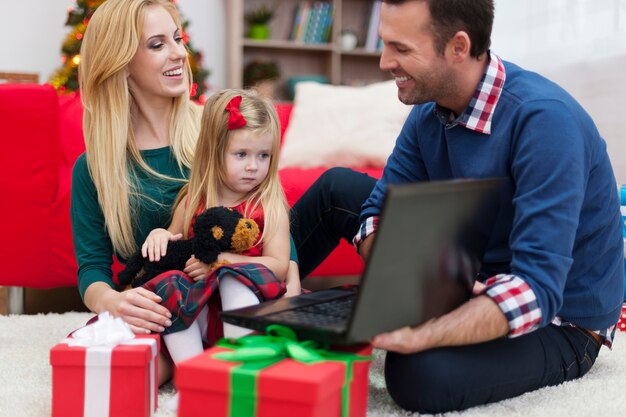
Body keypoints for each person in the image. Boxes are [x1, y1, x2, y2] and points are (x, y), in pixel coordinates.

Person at [345, 0, 623, 413]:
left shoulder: (544, 120)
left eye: (401, 49)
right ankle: (265, 313)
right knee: (334, 189)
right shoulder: (428, 110)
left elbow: (537, 288)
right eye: (385, 45)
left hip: (561, 318)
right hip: (473, 272)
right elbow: (374, 213)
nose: (385, 62)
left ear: (458, 46)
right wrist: (410, 280)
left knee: (418, 373)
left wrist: (428, 332)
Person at [71, 0, 301, 386]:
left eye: (178, 39)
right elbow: (92, 266)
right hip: (170, 291)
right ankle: (201, 371)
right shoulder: (94, 168)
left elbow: (267, 204)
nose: (180, 52)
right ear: (121, 63)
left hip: (245, 270)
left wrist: (290, 282)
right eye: (158, 44)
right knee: (120, 380)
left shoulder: (215, 128)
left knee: (338, 188)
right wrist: (113, 301)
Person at [140, 88, 290, 367]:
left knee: (232, 275)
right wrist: (160, 235)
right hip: (203, 319)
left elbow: (280, 265)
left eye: (263, 156)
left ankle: (239, 368)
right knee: (170, 283)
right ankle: (193, 376)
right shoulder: (194, 200)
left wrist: (224, 262)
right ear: (214, 152)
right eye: (241, 154)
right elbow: (176, 243)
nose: (253, 167)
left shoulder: (268, 206)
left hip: (252, 317)